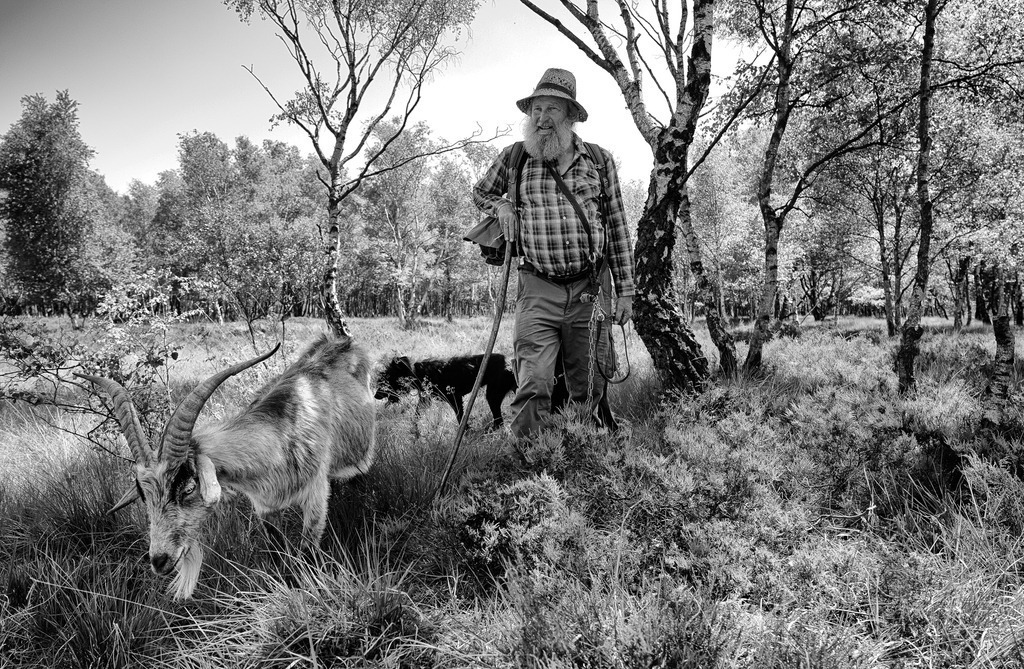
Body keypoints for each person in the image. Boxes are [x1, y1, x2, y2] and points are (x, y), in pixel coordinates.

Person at [472, 67, 635, 439]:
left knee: (589, 380)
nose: (542, 119)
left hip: (590, 288)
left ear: (571, 116)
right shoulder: (514, 158)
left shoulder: (599, 160)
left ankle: (581, 448)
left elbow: (618, 227)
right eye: (536, 109)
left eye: (552, 110)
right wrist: (502, 207)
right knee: (534, 381)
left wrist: (626, 291)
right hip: (537, 287)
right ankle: (528, 457)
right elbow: (479, 192)